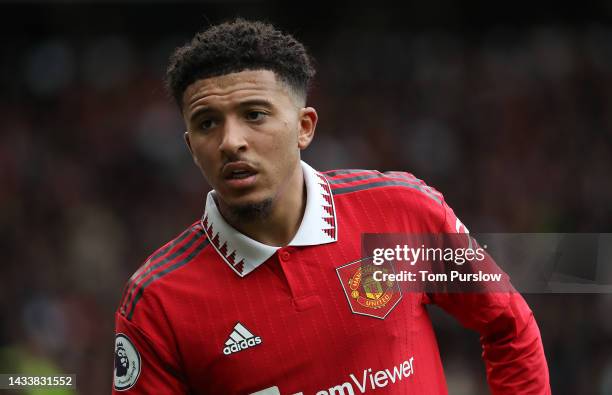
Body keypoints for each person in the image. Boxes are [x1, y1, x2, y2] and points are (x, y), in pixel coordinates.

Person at [113, 19, 550, 394]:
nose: (231, 142)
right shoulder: (158, 303)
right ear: (191, 147)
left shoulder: (401, 212)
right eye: (208, 123)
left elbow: (508, 325)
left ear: (304, 127)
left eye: (255, 114)